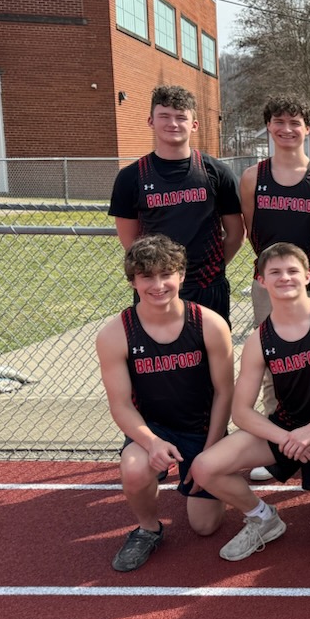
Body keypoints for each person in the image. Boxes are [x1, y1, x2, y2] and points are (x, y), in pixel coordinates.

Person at [190, 244, 310, 561]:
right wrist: (287, 437)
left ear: (308, 276)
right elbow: (241, 411)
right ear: (261, 281)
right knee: (204, 467)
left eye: (292, 271)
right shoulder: (259, 339)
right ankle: (262, 517)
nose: (284, 278)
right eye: (275, 272)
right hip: (288, 431)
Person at [95, 235, 234, 571]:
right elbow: (120, 405)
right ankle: (148, 528)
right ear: (133, 281)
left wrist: (209, 451)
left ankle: (210, 473)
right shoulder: (115, 334)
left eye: (165, 274)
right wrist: (152, 442)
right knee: (134, 467)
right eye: (146, 277)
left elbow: (224, 393)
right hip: (153, 428)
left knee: (204, 527)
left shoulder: (210, 324)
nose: (157, 285)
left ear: (181, 276)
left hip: (202, 430)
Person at [239, 97, 310, 466]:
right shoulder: (253, 177)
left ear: (308, 129)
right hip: (269, 287)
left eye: (295, 122)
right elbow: (253, 230)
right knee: (271, 360)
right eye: (278, 121)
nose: (286, 129)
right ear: (268, 126)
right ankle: (276, 441)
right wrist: (274, 274)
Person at [108, 85, 244, 323]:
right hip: (156, 288)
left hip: (207, 287)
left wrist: (212, 268)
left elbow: (236, 233)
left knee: (213, 355)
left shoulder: (217, 172)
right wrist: (156, 274)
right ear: (151, 121)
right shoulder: (131, 177)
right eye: (165, 116)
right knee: (159, 357)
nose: (173, 123)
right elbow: (130, 241)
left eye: (181, 117)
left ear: (194, 125)